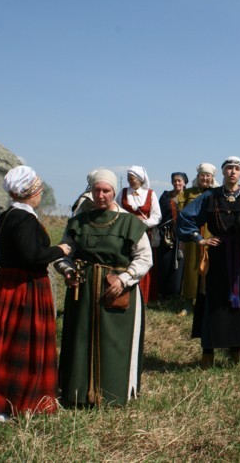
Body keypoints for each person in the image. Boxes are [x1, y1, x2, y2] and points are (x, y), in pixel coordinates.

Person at [0, 166, 71, 421]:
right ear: (29, 192)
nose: (41, 192)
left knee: (2, 341)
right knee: (20, 346)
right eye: (38, 188)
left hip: (6, 285)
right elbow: (32, 256)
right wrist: (60, 250)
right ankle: (17, 402)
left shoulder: (6, 216)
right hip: (25, 288)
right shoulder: (24, 218)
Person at [55, 169, 152, 406]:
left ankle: (113, 394)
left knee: (115, 341)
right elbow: (64, 252)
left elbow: (144, 258)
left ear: (113, 192)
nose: (101, 195)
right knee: (79, 339)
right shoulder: (77, 222)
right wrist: (67, 271)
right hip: (83, 290)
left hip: (116, 289)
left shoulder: (129, 222)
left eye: (106, 190)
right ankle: (76, 393)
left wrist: (124, 279)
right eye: (97, 190)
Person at [176, 157, 240, 369]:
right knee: (213, 302)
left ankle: (235, 351)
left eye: (237, 169)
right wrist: (200, 239)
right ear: (223, 172)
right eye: (229, 169)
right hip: (217, 255)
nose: (233, 172)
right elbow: (185, 218)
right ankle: (208, 353)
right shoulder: (210, 196)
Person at [177, 163, 219, 316]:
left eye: (208, 175)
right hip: (192, 236)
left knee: (210, 268)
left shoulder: (217, 193)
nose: (205, 178)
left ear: (212, 177)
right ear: (198, 176)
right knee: (191, 268)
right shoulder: (188, 193)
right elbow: (182, 214)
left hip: (210, 234)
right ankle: (188, 303)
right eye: (202, 175)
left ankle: (208, 302)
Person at [117, 165, 161, 304]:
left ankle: (144, 297)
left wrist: (143, 223)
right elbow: (116, 210)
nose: (130, 181)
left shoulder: (150, 194)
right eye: (129, 178)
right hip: (126, 233)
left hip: (144, 233)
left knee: (143, 260)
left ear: (140, 179)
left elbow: (157, 216)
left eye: (133, 178)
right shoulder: (123, 193)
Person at [156, 172, 189, 298]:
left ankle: (178, 292)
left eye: (179, 180)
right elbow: (160, 215)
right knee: (166, 262)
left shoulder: (188, 196)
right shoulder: (166, 197)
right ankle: (164, 292)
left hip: (184, 236)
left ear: (184, 182)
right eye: (174, 181)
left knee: (181, 264)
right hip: (167, 235)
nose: (177, 183)